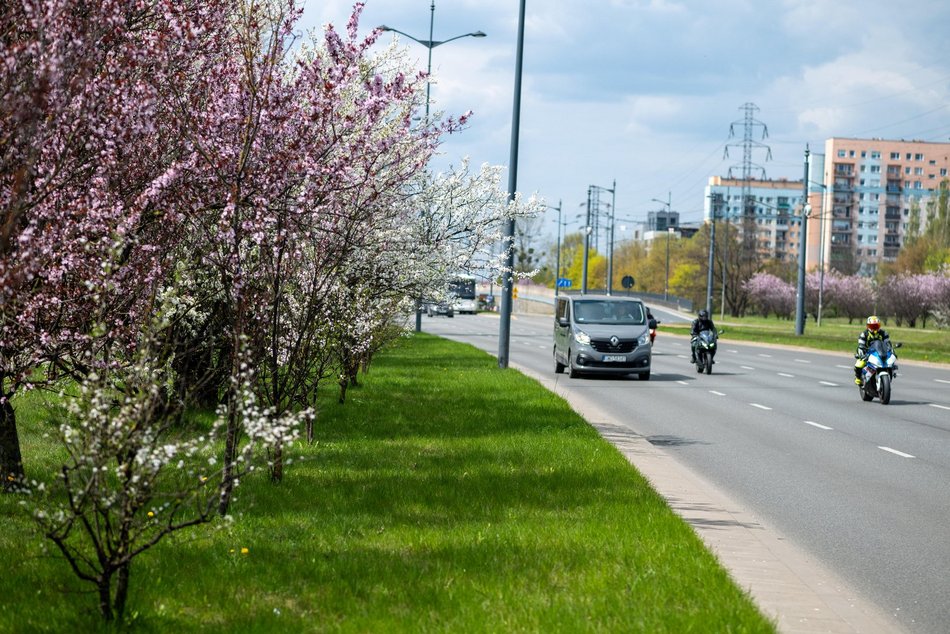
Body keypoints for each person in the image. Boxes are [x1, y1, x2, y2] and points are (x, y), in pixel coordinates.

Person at [854, 315, 890, 385]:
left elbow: (888, 344)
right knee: (859, 364)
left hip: (880, 353)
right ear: (868, 326)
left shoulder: (884, 333)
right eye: (872, 326)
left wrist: (891, 351)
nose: (874, 328)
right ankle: (858, 378)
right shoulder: (864, 334)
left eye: (876, 326)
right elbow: (861, 345)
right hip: (868, 353)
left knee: (890, 363)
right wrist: (862, 355)